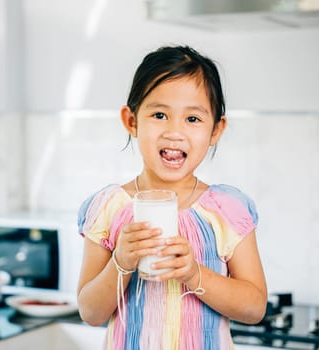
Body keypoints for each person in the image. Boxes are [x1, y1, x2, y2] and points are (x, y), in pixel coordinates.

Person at [76, 45, 267, 350]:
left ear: (216, 130)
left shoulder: (226, 210)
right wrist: (121, 263)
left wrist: (194, 273)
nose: (174, 132)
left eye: (193, 119)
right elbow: (90, 312)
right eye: (160, 114)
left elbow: (254, 308)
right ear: (132, 120)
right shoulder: (109, 208)